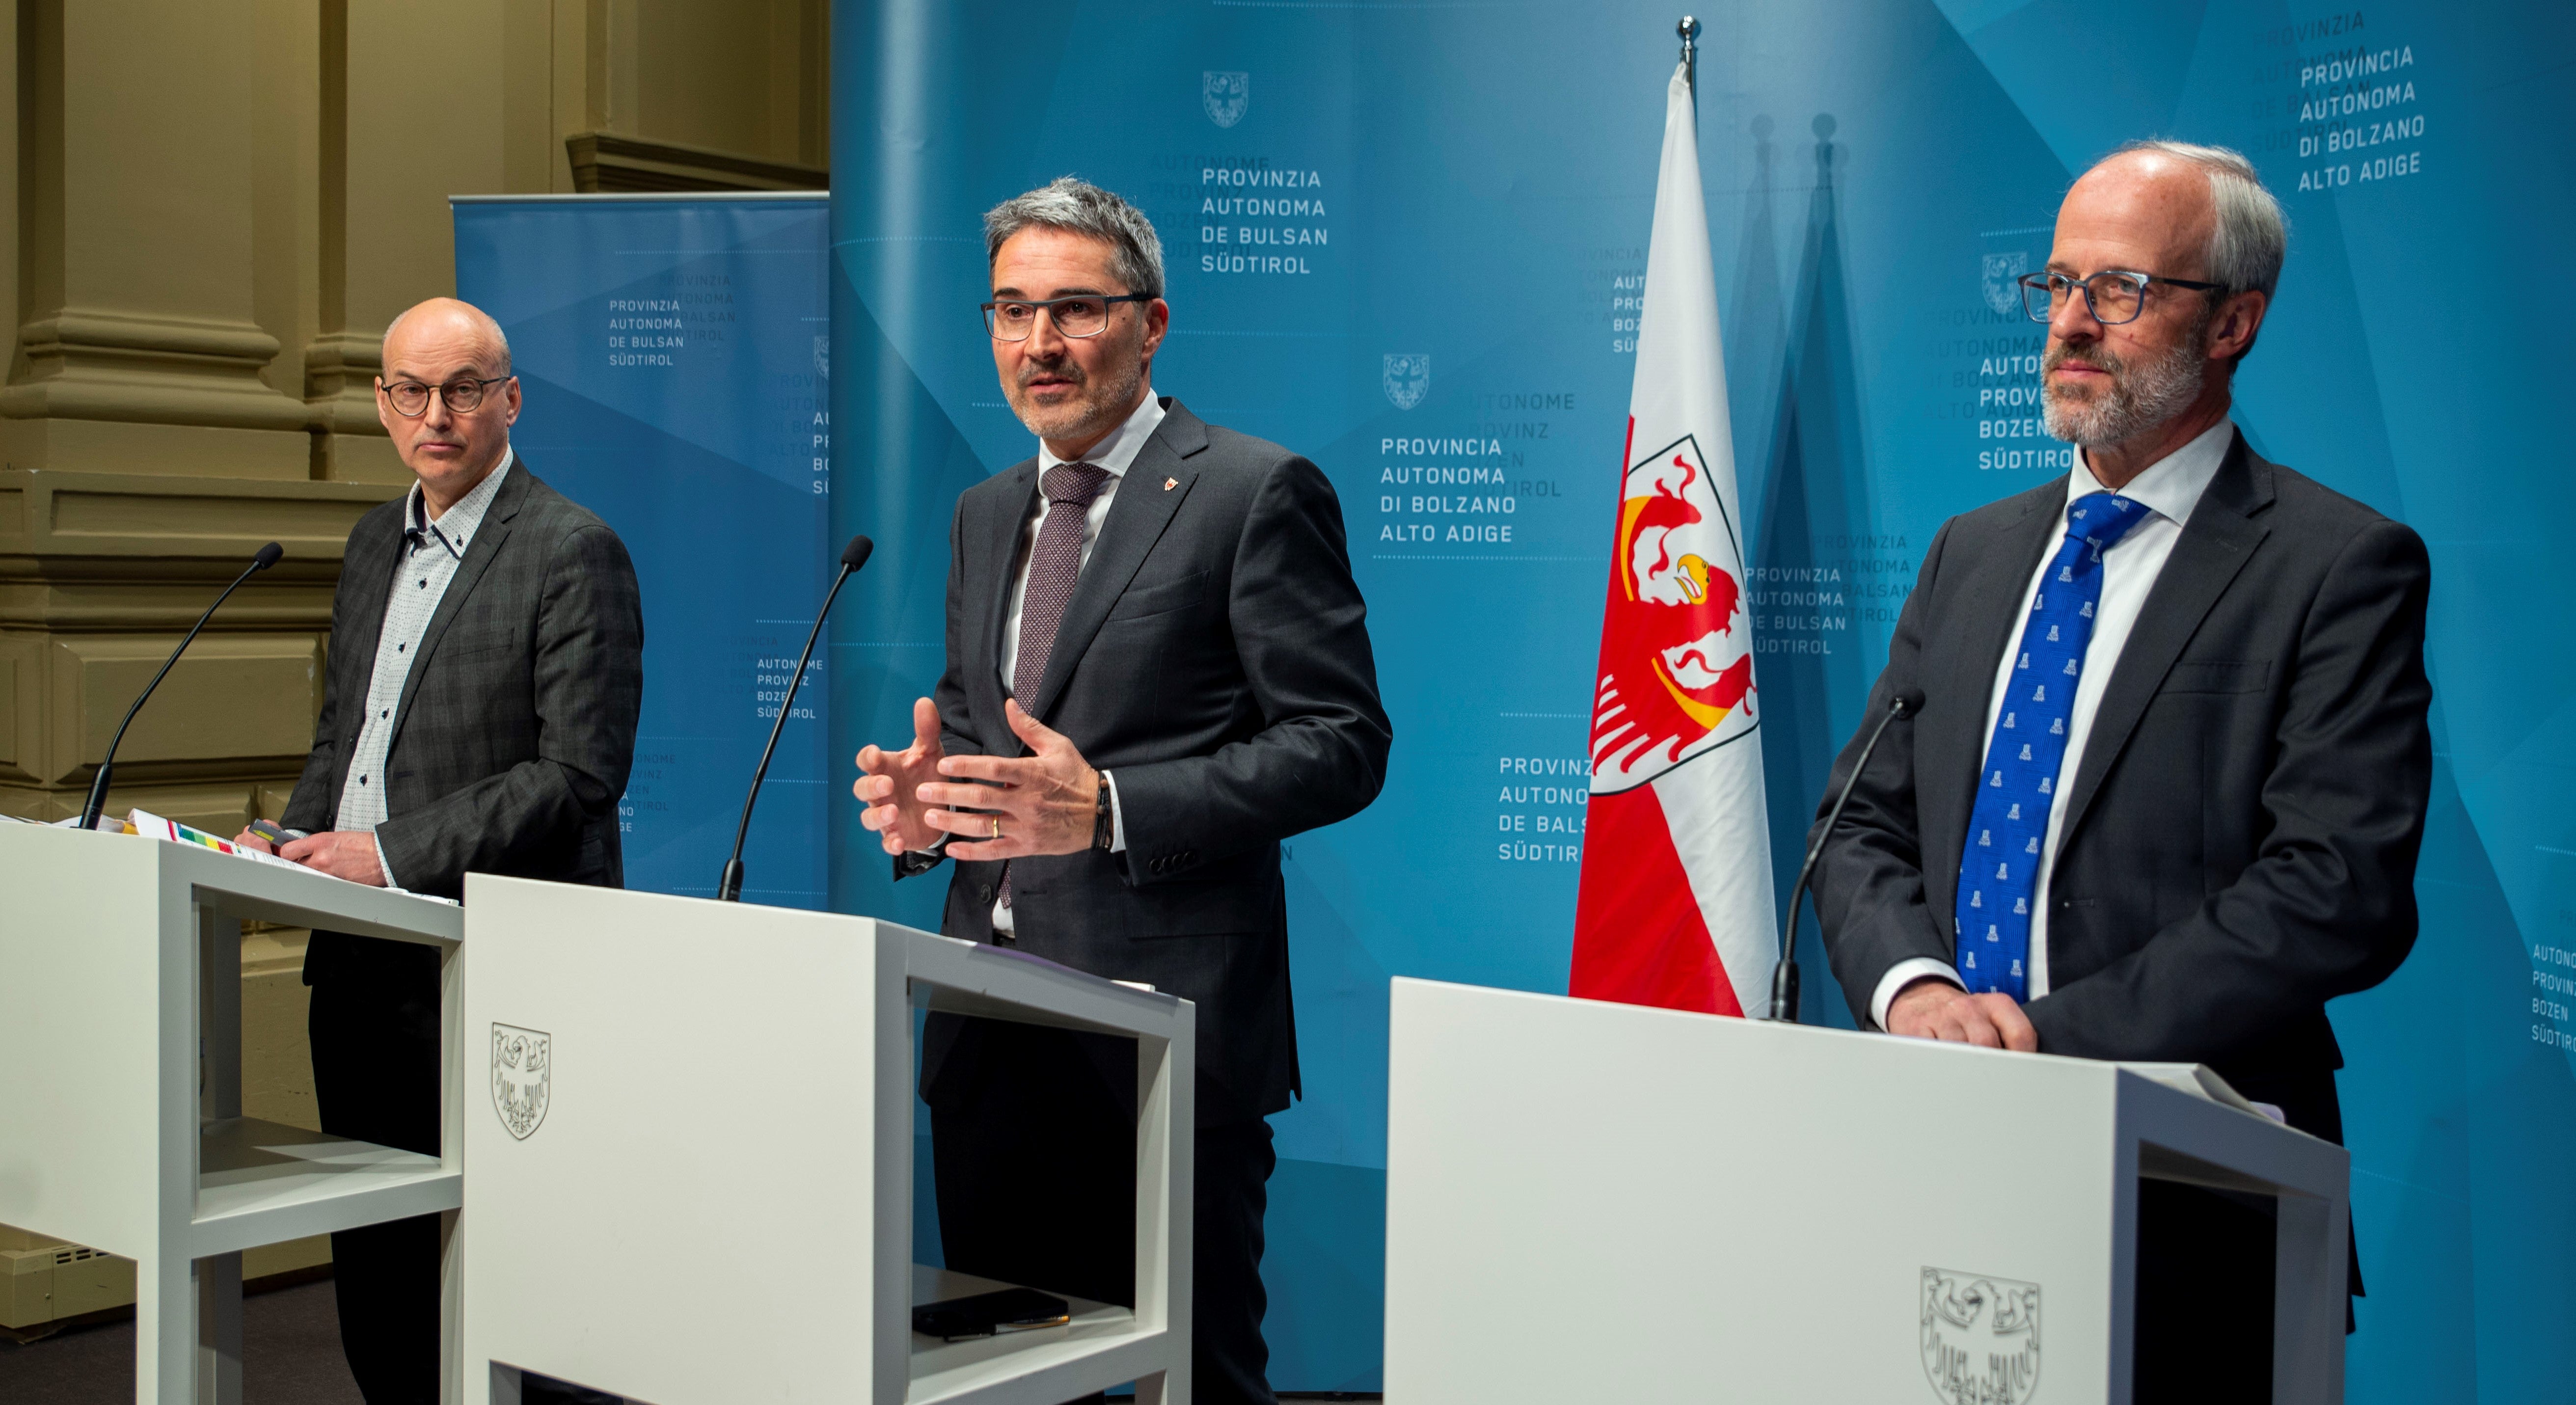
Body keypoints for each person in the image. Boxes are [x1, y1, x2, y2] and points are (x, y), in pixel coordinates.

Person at [1808, 142, 2429, 1390]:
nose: (2072, 324)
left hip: (2191, 1182)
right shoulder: (1970, 553)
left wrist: (2035, 1038)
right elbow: (1857, 823)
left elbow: (2335, 886)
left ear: (2233, 323)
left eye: (2121, 290)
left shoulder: (2335, 566)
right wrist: (1919, 995)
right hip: (1928, 1152)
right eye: (2056, 286)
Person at [852, 178, 1389, 1405]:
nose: (1037, 343)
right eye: (1009, 310)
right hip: (989, 1035)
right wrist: (932, 805)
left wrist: (1111, 808)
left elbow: (1342, 741)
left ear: (1149, 326)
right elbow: (988, 729)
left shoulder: (1252, 490)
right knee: (1003, 1378)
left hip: (1162, 1041)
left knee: (1188, 1380)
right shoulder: (988, 511)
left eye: (1074, 310)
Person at [238, 297, 644, 1404]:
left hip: (492, 971)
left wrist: (389, 853)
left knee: (503, 1270)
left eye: (463, 389)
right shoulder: (376, 540)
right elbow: (348, 734)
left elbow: (577, 776)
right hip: (362, 963)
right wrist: (285, 834)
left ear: (509, 399)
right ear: (380, 404)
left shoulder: (572, 549)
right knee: (377, 1271)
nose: (437, 414)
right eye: (411, 392)